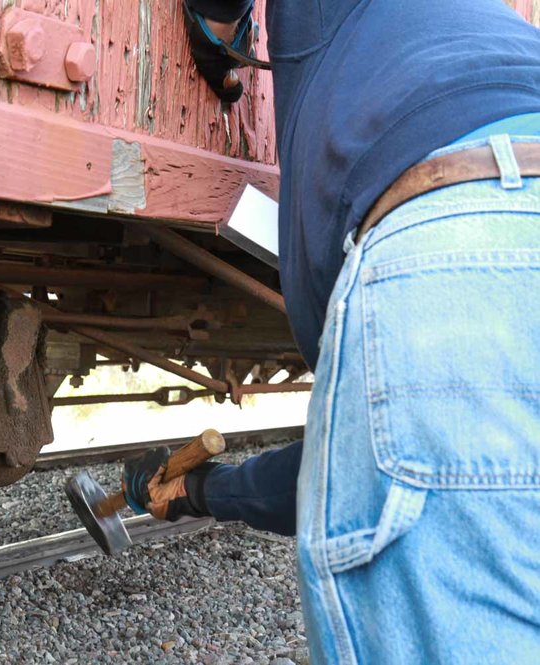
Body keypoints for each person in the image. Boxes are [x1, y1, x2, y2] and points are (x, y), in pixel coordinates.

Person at [121, 1, 540, 662]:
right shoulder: (507, 34)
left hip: (454, 224)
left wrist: (216, 32)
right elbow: (368, 464)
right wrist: (203, 489)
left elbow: (387, 460)